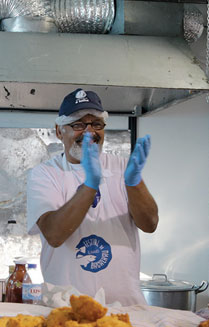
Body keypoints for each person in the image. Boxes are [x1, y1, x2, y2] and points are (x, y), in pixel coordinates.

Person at [26, 88, 159, 307]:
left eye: (97, 124)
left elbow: (150, 224)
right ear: (59, 131)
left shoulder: (122, 167)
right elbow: (54, 235)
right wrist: (90, 185)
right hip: (66, 308)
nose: (89, 132)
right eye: (78, 125)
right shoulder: (45, 174)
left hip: (125, 308)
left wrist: (134, 182)